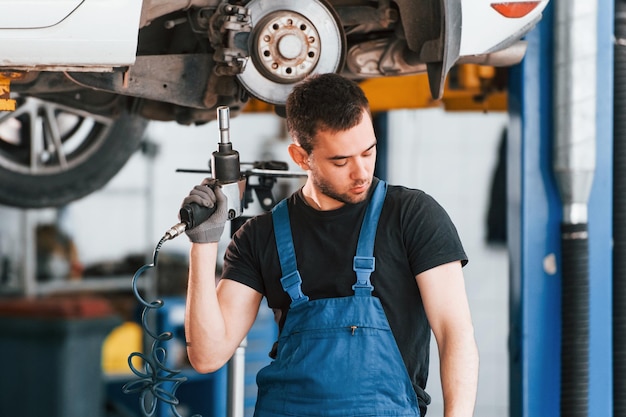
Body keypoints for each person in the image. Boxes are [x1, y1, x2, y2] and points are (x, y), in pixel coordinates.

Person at [182, 73, 479, 417]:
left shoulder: (412, 216)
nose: (361, 172)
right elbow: (207, 355)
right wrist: (203, 246)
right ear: (301, 157)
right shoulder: (259, 237)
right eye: (341, 161)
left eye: (368, 152)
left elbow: (455, 332)